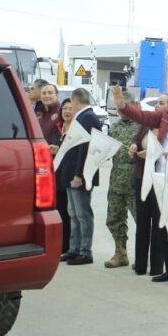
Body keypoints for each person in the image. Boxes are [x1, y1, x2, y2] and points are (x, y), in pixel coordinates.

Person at [113, 82, 168, 287]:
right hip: (160, 175)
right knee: (164, 224)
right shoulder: (167, 115)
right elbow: (142, 116)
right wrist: (122, 105)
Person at [128, 93, 168, 276]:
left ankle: (156, 266)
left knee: (158, 223)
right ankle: (140, 264)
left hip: (161, 179)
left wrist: (153, 153)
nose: (156, 106)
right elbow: (136, 140)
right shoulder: (147, 124)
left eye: (161, 103)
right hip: (142, 176)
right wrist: (134, 146)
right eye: (156, 103)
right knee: (142, 221)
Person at [60, 88, 102, 265]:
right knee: (74, 214)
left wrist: (79, 174)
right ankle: (74, 249)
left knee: (83, 214)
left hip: (80, 175)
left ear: (75, 100)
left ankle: (85, 251)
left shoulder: (88, 117)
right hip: (71, 172)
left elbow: (85, 148)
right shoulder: (82, 117)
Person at [104, 91, 140, 268]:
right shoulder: (115, 127)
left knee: (141, 221)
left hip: (135, 182)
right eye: (118, 107)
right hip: (117, 181)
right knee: (114, 218)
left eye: (123, 106)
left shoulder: (142, 126)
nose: (120, 110)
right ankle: (121, 253)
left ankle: (144, 256)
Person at [52, 98, 74, 256]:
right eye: (64, 108)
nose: (67, 111)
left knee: (70, 212)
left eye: (70, 109)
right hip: (56, 174)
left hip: (70, 175)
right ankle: (61, 245)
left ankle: (70, 246)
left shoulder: (77, 130)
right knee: (59, 210)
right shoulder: (57, 128)